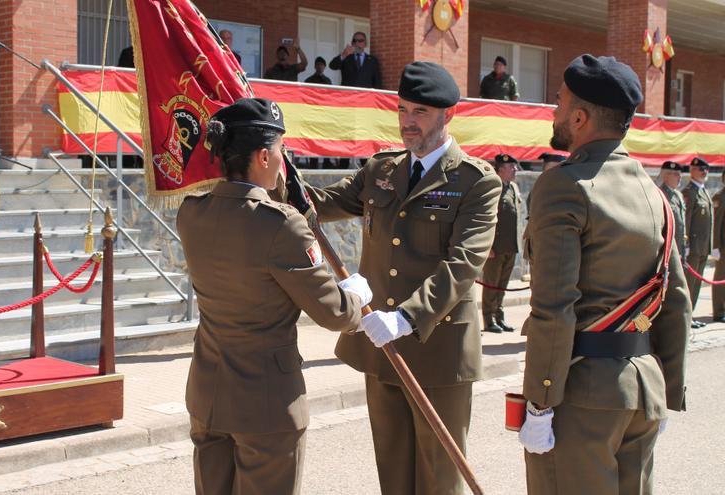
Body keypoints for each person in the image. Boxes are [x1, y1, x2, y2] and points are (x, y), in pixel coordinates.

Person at [302, 61, 501, 494]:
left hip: (438, 347)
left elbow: (464, 263)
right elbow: (320, 203)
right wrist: (275, 170)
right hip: (380, 344)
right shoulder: (382, 170)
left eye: (420, 113)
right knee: (392, 469)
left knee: (438, 475)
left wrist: (407, 317)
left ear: (447, 115)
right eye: (403, 110)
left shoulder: (475, 182)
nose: (408, 122)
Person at [177, 98, 371, 494]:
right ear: (264, 156)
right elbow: (333, 313)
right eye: (281, 151)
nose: (283, 160)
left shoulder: (191, 212)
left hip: (208, 394)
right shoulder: (282, 226)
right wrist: (355, 294)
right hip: (266, 403)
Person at [519, 54, 689, 495]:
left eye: (558, 102)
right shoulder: (654, 193)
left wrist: (540, 403)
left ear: (579, 117)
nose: (553, 112)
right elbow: (677, 301)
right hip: (642, 389)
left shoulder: (565, 185)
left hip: (582, 394)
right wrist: (666, 392)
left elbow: (555, 306)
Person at [482, 154, 521, 333]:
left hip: (510, 246)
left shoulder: (513, 187)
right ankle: (489, 321)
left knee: (502, 286)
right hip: (495, 248)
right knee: (491, 285)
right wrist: (487, 246)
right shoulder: (492, 187)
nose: (515, 170)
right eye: (512, 167)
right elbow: (486, 220)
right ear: (501, 169)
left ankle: (500, 317)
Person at [682, 156, 713, 329]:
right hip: (692, 247)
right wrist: (684, 244)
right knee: (689, 284)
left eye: (706, 170)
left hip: (702, 247)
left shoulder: (703, 191)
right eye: (701, 169)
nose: (704, 172)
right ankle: (686, 316)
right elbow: (686, 220)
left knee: (696, 285)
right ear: (692, 170)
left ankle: (691, 315)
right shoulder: (689, 192)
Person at [659, 161, 687, 258]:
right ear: (665, 176)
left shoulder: (678, 195)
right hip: (667, 247)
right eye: (676, 174)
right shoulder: (660, 194)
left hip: (679, 245)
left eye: (680, 174)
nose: (680, 177)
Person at [711, 167, 725, 322]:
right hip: (723, 247)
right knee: (720, 280)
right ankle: (719, 312)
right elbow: (717, 224)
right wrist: (715, 248)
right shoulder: (721, 197)